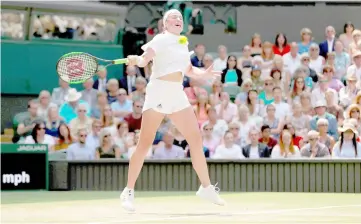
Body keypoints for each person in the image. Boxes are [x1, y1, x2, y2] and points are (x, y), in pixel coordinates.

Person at [121, 9, 225, 211]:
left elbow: (187, 70)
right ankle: (128, 191)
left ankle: (206, 188)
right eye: (173, 17)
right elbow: (145, 59)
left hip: (177, 93)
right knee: (144, 144)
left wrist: (203, 74)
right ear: (165, 24)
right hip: (158, 91)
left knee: (195, 139)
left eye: (180, 17)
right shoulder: (160, 39)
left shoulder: (182, 43)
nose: (178, 19)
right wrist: (137, 60)